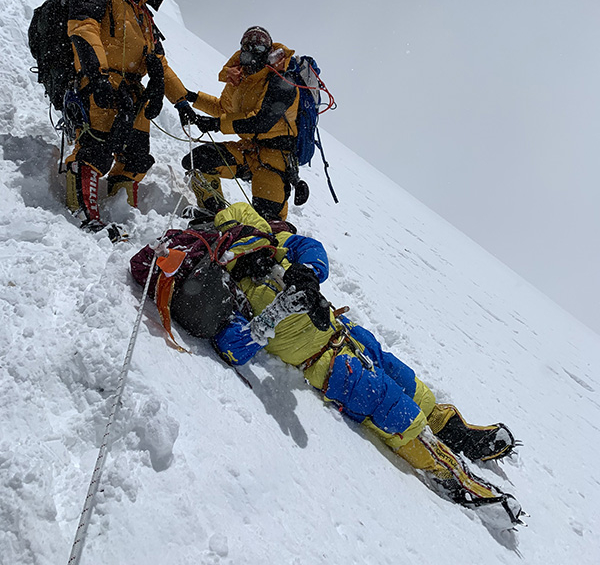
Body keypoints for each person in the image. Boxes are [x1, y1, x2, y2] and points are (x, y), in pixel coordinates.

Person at [130, 202, 522, 527]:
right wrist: (267, 322)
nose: (252, 248)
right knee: (393, 408)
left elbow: (310, 248)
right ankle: (455, 478)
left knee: (405, 381)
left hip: (343, 330)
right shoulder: (226, 287)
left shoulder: (274, 247)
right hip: (328, 365)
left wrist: (307, 273)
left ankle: (456, 431)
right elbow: (233, 347)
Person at [64, 0, 197, 233]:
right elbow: (83, 29)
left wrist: (181, 101)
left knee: (136, 157)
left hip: (134, 94)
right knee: (94, 147)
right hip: (100, 83)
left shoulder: (144, 16)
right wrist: (97, 77)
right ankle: (83, 212)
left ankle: (122, 212)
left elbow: (159, 62)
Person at [181, 27, 299, 220]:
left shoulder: (282, 80)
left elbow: (261, 121)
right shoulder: (240, 79)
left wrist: (216, 125)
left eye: (259, 48)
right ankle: (213, 214)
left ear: (268, 51)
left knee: (269, 223)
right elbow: (223, 109)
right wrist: (192, 97)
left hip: (275, 158)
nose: (252, 53)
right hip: (247, 150)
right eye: (248, 47)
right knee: (198, 161)